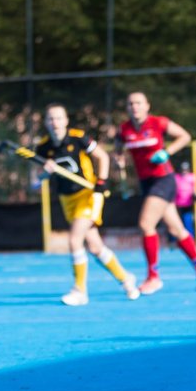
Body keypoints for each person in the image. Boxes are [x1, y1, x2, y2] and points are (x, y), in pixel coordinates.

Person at [33, 104, 140, 305]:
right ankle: (126, 278)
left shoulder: (77, 138)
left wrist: (101, 182)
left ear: (66, 121)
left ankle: (80, 290)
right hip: (67, 200)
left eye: (58, 118)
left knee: (74, 241)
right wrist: (45, 173)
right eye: (50, 119)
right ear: (46, 123)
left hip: (87, 194)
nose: (55, 123)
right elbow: (36, 183)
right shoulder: (43, 147)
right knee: (95, 246)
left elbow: (102, 156)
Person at [115, 91, 196, 294]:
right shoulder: (124, 129)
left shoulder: (158, 123)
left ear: (147, 106)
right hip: (147, 183)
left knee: (146, 224)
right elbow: (118, 149)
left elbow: (185, 136)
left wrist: (166, 152)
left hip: (164, 179)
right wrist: (119, 158)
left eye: (139, 103)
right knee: (177, 230)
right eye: (131, 103)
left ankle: (154, 277)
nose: (135, 107)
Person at [173, 160, 196, 237]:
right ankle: (174, 241)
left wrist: (195, 195)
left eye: (186, 170)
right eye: (183, 170)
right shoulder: (176, 178)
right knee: (176, 223)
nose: (184, 172)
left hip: (188, 204)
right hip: (177, 205)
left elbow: (194, 189)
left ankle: (190, 239)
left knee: (188, 222)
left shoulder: (192, 177)